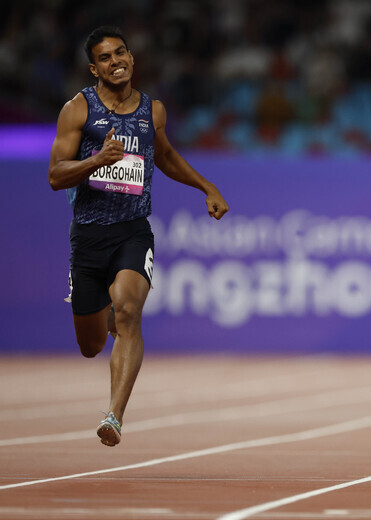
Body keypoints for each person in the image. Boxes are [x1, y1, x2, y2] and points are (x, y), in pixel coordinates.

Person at [48, 26, 229, 446]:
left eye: (122, 52)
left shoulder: (153, 111)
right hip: (88, 238)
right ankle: (104, 318)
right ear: (94, 68)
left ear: (132, 57)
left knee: (130, 311)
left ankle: (114, 416)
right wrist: (97, 160)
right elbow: (56, 176)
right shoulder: (78, 110)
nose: (117, 61)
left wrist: (208, 187)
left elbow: (163, 156)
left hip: (133, 232)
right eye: (106, 57)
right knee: (91, 345)